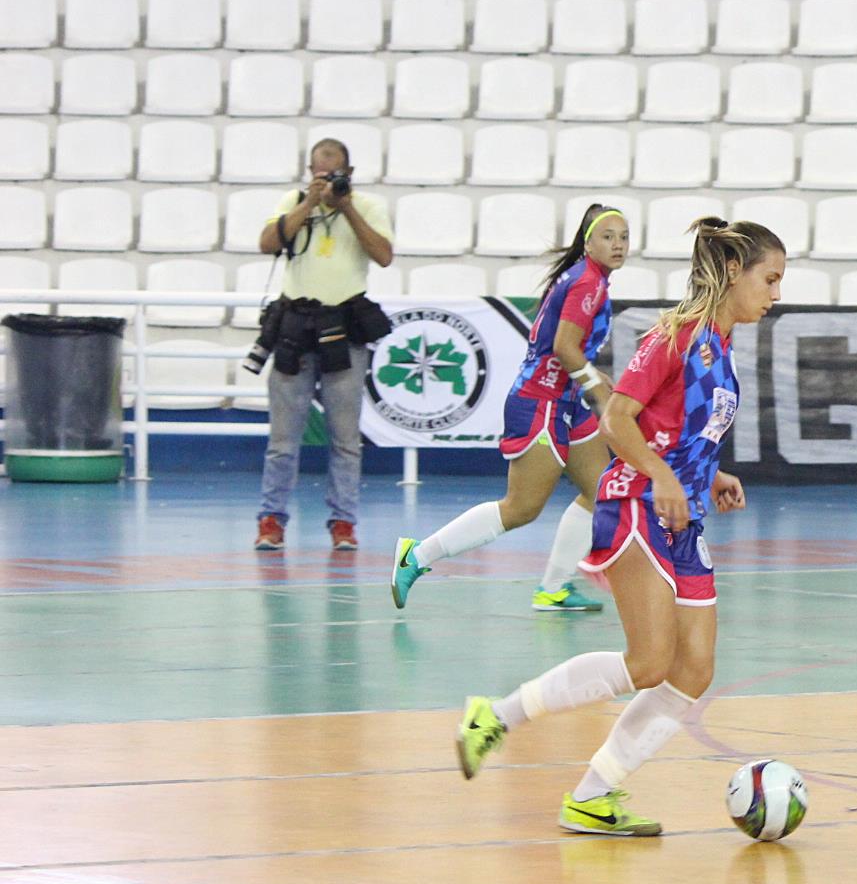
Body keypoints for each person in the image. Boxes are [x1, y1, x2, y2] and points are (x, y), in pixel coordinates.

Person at [454, 219, 782, 836]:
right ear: (734, 273)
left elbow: (674, 428)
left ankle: (592, 796)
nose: (776, 293)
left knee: (694, 669)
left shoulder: (720, 342)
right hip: (635, 503)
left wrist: (707, 474)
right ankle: (493, 716)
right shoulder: (675, 336)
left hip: (682, 512)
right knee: (650, 661)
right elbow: (618, 420)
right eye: (770, 279)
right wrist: (660, 476)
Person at [391, 206, 626, 614]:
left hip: (565, 400)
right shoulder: (587, 283)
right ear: (588, 242)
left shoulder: (587, 280)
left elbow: (570, 351)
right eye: (607, 236)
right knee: (520, 509)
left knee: (600, 489)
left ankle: (553, 589)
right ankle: (415, 557)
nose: (618, 244)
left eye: (624, 236)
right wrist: (598, 389)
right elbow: (564, 348)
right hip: (541, 402)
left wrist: (594, 380)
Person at [253, 138, 394, 553]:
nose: (328, 181)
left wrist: (345, 205)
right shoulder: (293, 202)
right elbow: (267, 244)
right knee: (283, 438)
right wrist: (308, 204)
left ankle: (343, 522)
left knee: (346, 439)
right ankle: (271, 519)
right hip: (294, 328)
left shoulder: (366, 207)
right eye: (319, 173)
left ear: (349, 173)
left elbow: (383, 255)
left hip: (345, 327)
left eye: (334, 174)